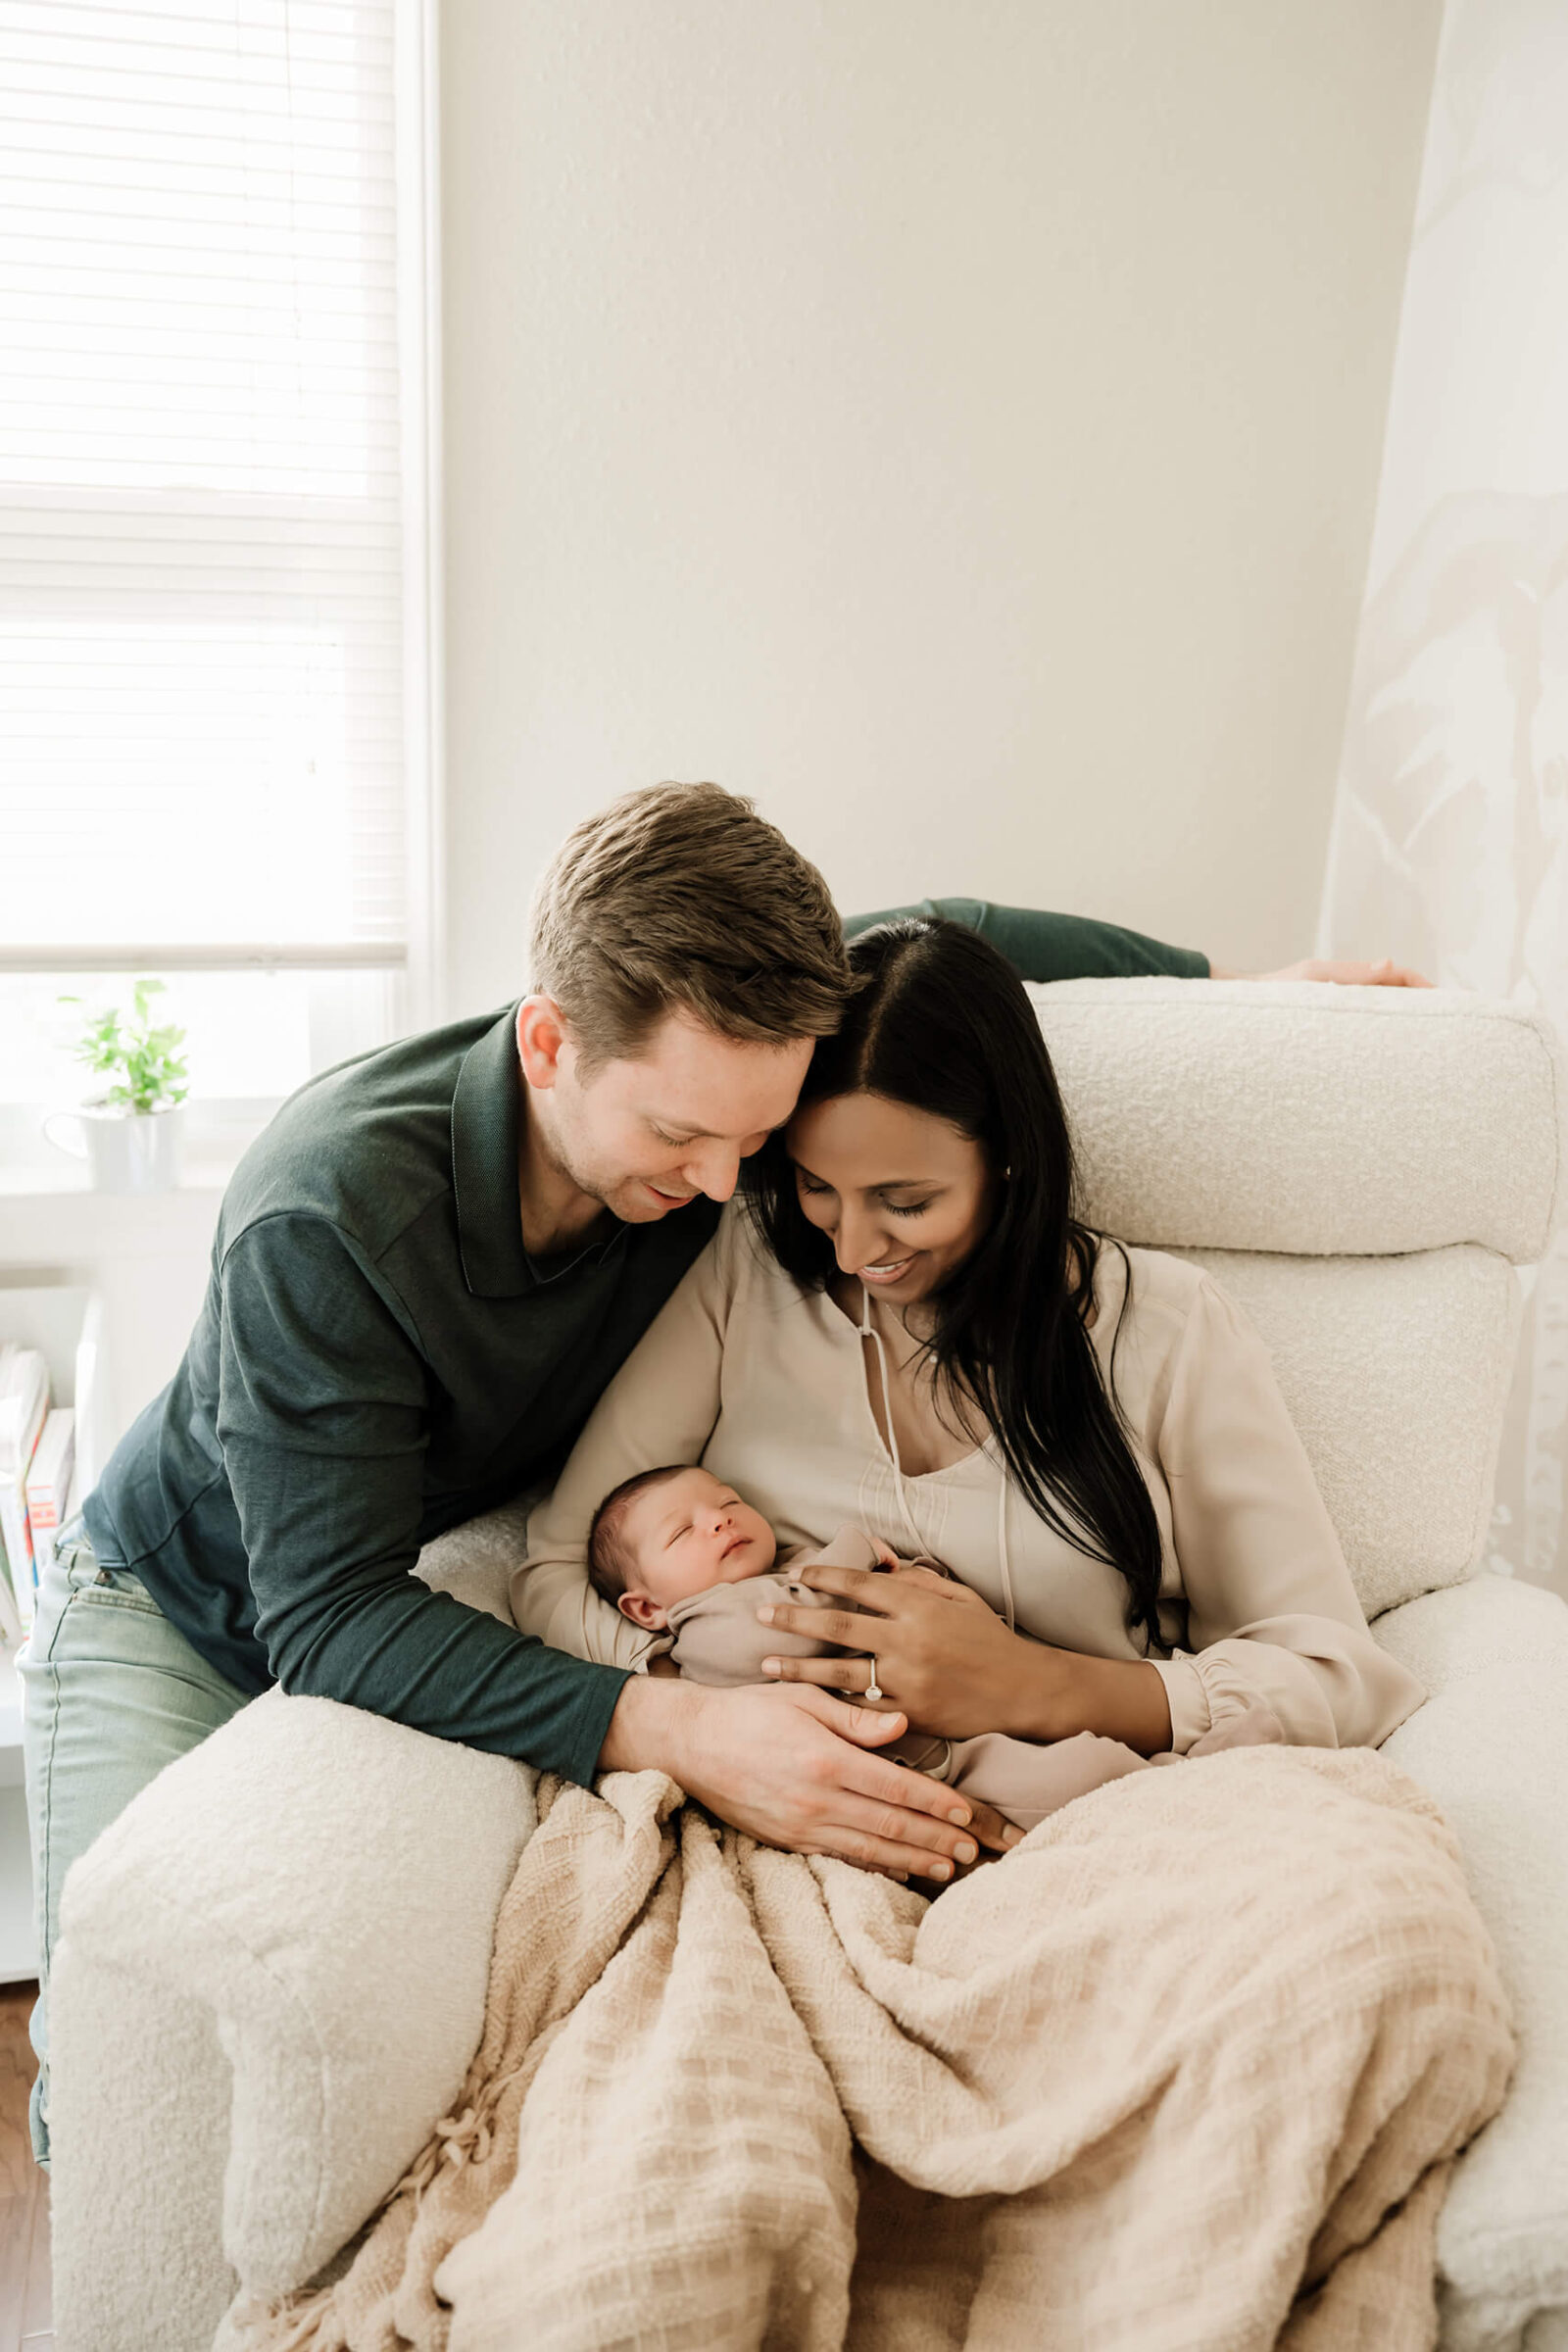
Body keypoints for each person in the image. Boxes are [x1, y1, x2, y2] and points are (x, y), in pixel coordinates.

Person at [20, 779, 1429, 2170]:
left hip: (414, 1568)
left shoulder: (727, 1023)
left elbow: (956, 936)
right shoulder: (326, 1213)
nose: (720, 1194)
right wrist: (687, 1724)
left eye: (756, 1144)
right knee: (115, 2060)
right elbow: (328, 1611)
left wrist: (1240, 985)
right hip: (182, 1600)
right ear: (551, 1041)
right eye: (681, 1141)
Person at [514, 916, 1427, 1823]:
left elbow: (1333, 1676)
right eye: (817, 1187)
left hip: (1079, 1808)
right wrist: (727, 1710)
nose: (854, 1247)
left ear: (1011, 1162)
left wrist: (1040, 1685)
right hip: (789, 1818)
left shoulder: (1166, 1329)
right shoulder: (749, 1270)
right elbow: (556, 1569)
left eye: (905, 1202)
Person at [585, 1462, 1292, 1836]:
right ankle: (1193, 1788)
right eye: (684, 1534)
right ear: (646, 1607)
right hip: (931, 1765)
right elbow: (789, 1633)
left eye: (728, 1502)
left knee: (1079, 1747)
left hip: (961, 1709)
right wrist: (859, 1552)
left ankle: (1194, 1769)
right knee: (1074, 1778)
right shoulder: (702, 1628)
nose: (718, 1523)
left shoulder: (786, 1565)